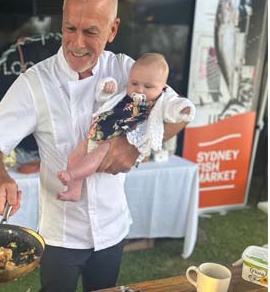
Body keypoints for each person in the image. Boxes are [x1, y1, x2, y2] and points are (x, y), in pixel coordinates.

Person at [0, 0, 189, 292]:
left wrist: (134, 147)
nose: (76, 42)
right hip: (60, 234)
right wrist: (0, 178)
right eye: (69, 28)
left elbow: (177, 112)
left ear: (113, 28)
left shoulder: (127, 70)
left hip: (112, 227)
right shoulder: (36, 83)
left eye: (90, 31)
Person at [56, 52, 195, 201]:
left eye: (148, 86)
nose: (139, 90)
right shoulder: (125, 93)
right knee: (74, 156)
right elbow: (105, 99)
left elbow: (173, 107)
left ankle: (72, 175)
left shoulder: (162, 99)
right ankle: (74, 190)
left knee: (97, 156)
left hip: (121, 138)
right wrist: (106, 88)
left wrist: (183, 109)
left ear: (163, 87)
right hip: (101, 130)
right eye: (134, 83)